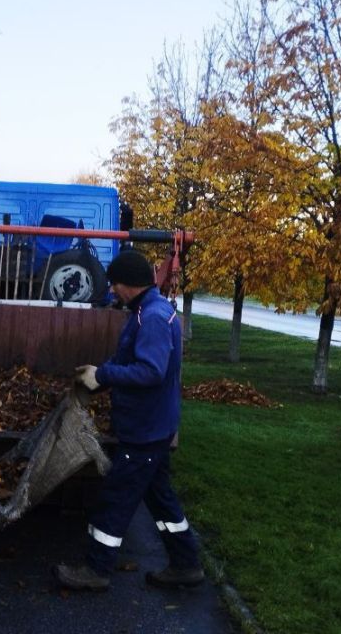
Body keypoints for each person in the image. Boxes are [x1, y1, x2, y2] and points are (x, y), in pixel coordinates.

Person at [53, 249, 203, 592]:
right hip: (153, 425)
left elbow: (150, 371)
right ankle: (187, 563)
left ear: (127, 284)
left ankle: (96, 569)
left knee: (115, 500)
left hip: (145, 430)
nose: (112, 292)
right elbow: (130, 360)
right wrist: (98, 377)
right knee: (161, 498)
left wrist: (102, 375)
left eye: (115, 285)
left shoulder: (150, 317)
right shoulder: (148, 311)